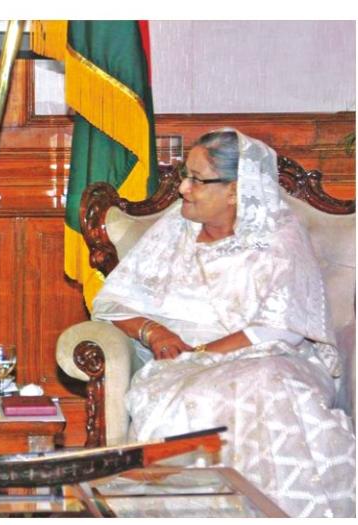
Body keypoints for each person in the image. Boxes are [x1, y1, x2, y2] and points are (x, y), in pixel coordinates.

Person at [92, 129, 355, 517]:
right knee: (222, 392)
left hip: (271, 357)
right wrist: (155, 332)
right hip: (177, 368)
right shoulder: (174, 229)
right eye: (185, 175)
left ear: (235, 189)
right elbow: (112, 301)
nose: (183, 188)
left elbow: (281, 326)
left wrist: (202, 355)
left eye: (197, 180)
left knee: (264, 383)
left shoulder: (278, 235)